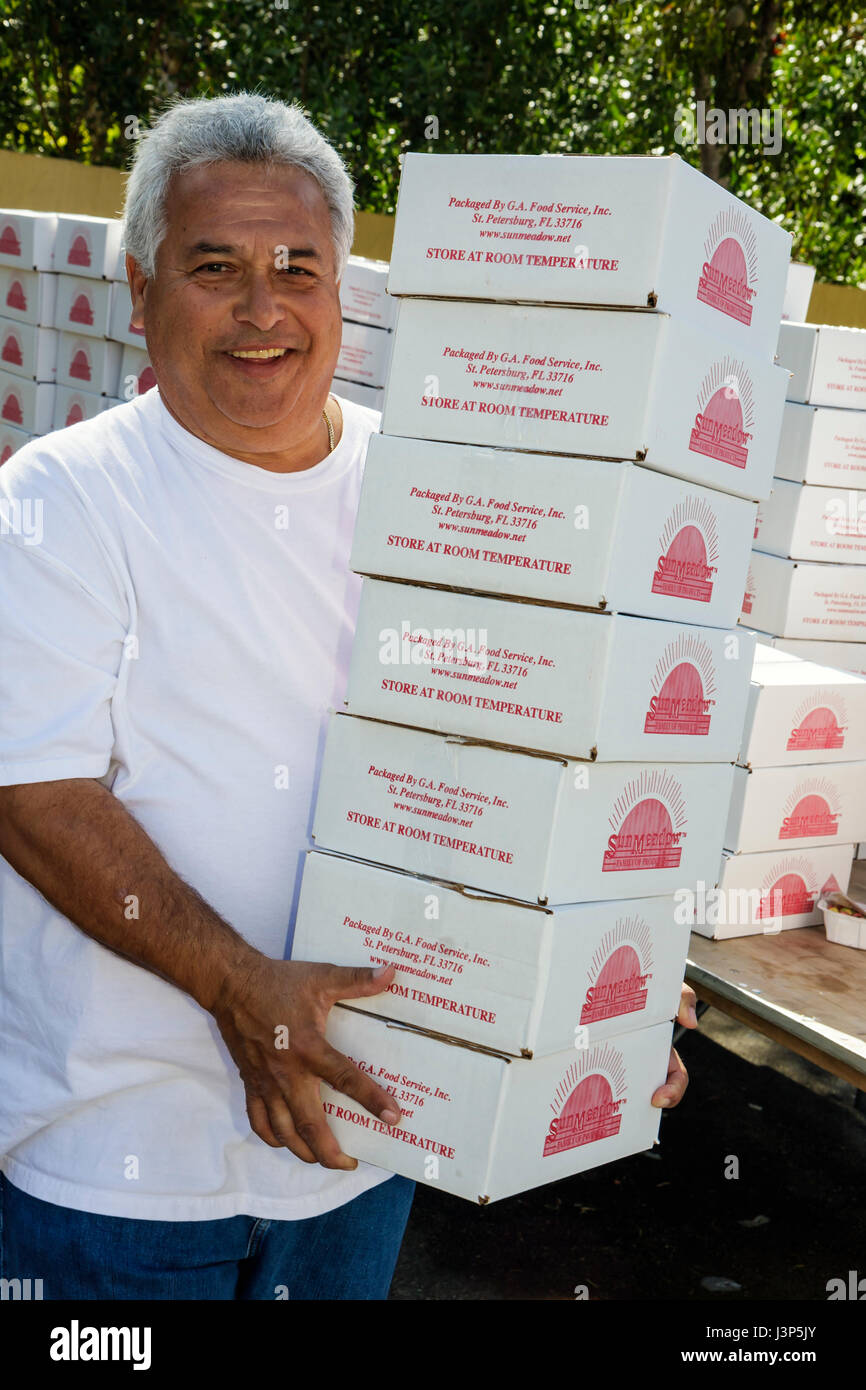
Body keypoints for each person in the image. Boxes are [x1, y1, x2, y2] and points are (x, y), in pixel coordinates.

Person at [0, 91, 694, 1302]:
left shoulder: (437, 488)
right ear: (139, 287)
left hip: (361, 1148)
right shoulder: (64, 500)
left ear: (342, 293)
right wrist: (238, 987)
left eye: (296, 268)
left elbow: (533, 746)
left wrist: (600, 961)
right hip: (116, 1175)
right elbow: (32, 792)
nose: (262, 309)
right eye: (215, 267)